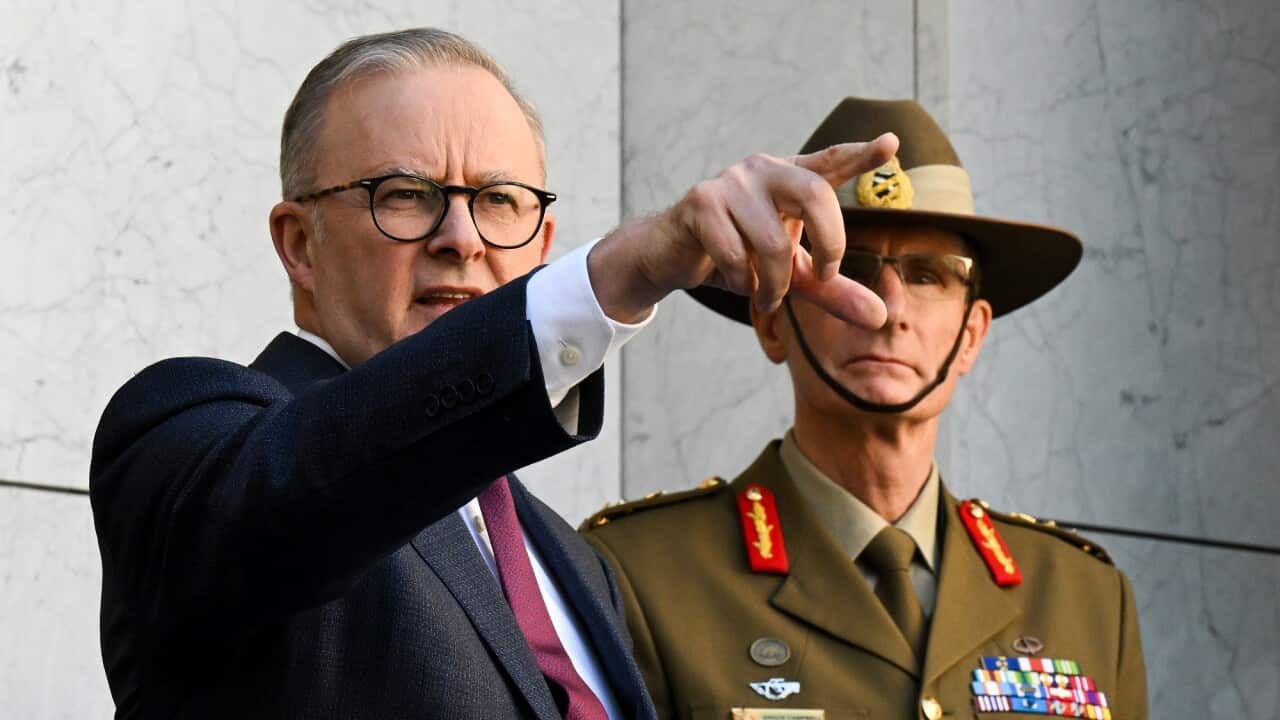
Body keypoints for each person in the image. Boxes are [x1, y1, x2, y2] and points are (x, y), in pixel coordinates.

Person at [89, 29, 897, 720]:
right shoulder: (189, 440)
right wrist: (618, 272)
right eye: (403, 195)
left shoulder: (571, 563)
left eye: (500, 200)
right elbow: (301, 491)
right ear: (300, 244)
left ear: (541, 247)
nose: (461, 238)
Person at [581, 98, 1148, 720]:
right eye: (848, 266)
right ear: (772, 322)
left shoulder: (1086, 597)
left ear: (972, 336)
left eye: (930, 274)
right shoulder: (642, 577)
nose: (888, 306)